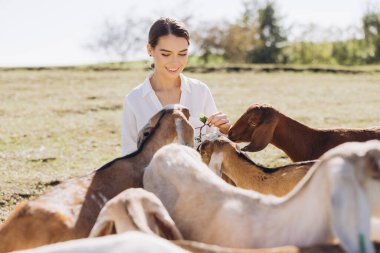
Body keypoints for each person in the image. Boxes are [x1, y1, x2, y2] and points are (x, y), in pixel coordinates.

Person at [122, 17, 231, 155]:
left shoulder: (200, 92)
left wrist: (224, 130)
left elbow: (215, 145)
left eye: (182, 54)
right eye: (166, 54)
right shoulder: (134, 100)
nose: (175, 62)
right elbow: (129, 156)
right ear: (150, 50)